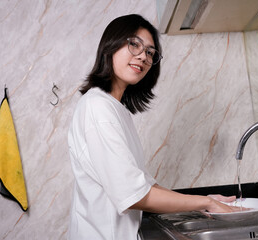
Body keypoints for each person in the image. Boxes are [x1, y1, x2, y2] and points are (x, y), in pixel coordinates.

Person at [67, 14, 240, 240]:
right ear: (110, 45)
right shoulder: (97, 108)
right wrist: (204, 202)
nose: (143, 57)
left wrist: (205, 202)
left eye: (150, 52)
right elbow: (133, 194)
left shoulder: (114, 109)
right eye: (134, 44)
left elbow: (145, 185)